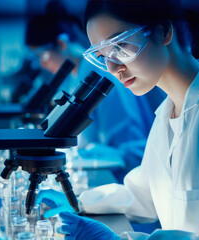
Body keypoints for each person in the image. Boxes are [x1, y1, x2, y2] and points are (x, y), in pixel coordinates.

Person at [37, 0, 199, 239]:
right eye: (103, 56)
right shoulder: (170, 110)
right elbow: (144, 193)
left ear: (164, 31)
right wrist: (77, 202)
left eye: (119, 46)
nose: (114, 68)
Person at [25, 1, 157, 181]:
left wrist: (89, 154)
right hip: (107, 175)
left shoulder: (101, 73)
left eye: (42, 54)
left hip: (126, 174)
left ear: (62, 44)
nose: (41, 63)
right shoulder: (77, 77)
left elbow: (130, 145)